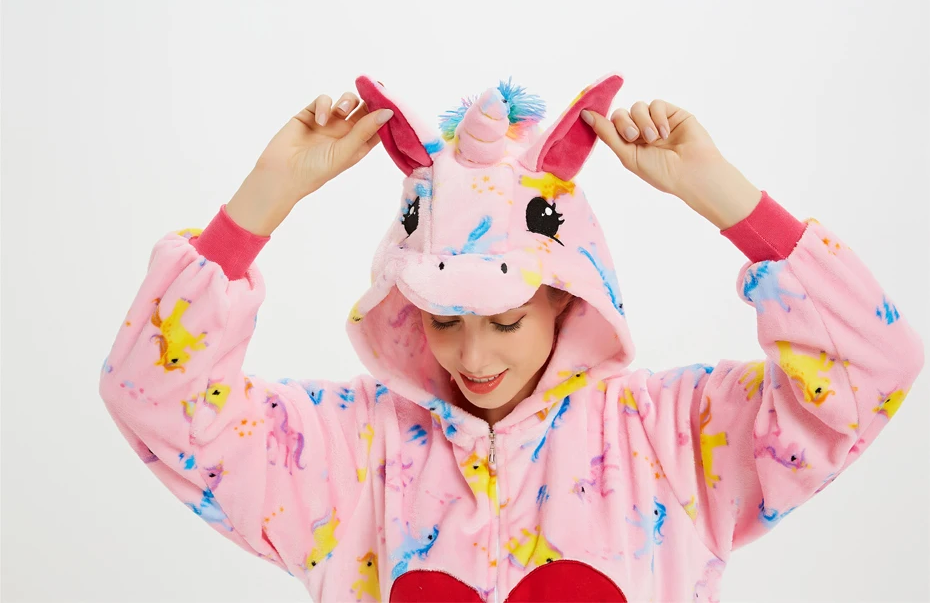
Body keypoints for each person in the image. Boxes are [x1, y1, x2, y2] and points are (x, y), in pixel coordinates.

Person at [99, 74, 924, 603]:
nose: (475, 358)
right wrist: (263, 199)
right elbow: (157, 401)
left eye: (505, 321)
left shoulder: (671, 439)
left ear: (565, 299)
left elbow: (868, 369)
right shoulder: (349, 451)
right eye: (443, 322)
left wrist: (725, 197)